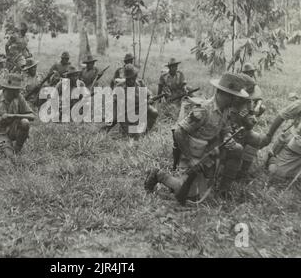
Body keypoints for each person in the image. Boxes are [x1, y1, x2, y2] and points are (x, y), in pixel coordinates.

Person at [144, 73, 252, 201]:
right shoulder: (204, 111)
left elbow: (225, 128)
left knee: (237, 149)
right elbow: (179, 132)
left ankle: (223, 190)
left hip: (209, 153)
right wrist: (191, 158)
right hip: (192, 154)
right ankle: (158, 175)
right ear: (224, 94)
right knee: (189, 195)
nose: (236, 100)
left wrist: (228, 137)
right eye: (233, 96)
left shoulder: (226, 110)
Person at [0, 73, 36, 158]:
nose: (18, 92)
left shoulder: (19, 97)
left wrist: (14, 115)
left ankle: (17, 149)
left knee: (25, 122)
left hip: (12, 129)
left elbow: (32, 116)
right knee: (9, 156)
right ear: (8, 89)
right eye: (16, 90)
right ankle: (2, 148)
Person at [105, 64, 159, 137]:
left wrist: (149, 100)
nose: (131, 80)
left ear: (135, 76)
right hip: (126, 115)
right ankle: (126, 130)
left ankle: (145, 132)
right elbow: (115, 104)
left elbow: (149, 95)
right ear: (126, 78)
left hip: (140, 110)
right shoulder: (120, 87)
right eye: (128, 78)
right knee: (133, 135)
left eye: (132, 78)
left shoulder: (140, 83)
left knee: (154, 112)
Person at [266, 98, 301, 180]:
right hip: (295, 144)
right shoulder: (299, 104)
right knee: (277, 175)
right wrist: (269, 135)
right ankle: (272, 158)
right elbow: (281, 116)